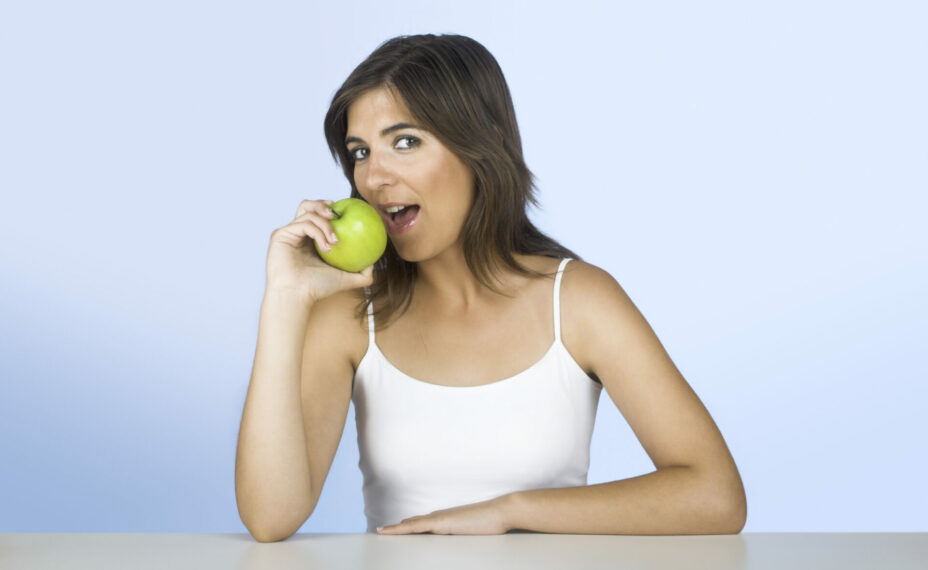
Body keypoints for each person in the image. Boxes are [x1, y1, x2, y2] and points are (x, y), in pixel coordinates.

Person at [235, 33, 746, 542]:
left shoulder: (579, 302)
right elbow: (270, 518)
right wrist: (284, 299)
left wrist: (507, 512)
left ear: (486, 143)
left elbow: (716, 496)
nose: (373, 177)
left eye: (405, 142)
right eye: (361, 152)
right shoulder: (350, 316)